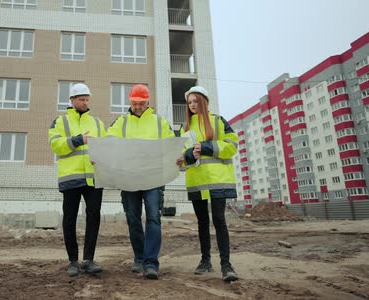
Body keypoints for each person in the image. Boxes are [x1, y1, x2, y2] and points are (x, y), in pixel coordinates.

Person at [106, 84, 175, 280]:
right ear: (130, 101)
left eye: (141, 103)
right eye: (135, 103)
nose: (138, 106)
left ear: (148, 102)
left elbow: (171, 144)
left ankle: (151, 263)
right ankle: (139, 256)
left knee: (153, 217)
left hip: (153, 177)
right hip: (129, 177)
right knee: (133, 218)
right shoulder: (121, 122)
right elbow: (109, 142)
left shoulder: (159, 122)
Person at [176, 86, 239, 282]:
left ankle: (226, 266)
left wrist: (205, 147)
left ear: (204, 101)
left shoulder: (218, 121)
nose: (192, 105)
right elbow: (181, 158)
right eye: (189, 103)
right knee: (202, 223)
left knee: (219, 220)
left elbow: (232, 146)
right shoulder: (184, 128)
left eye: (196, 101)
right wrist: (189, 155)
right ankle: (205, 261)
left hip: (217, 180)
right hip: (196, 182)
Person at [48, 83, 106, 277]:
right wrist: (78, 139)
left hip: (93, 178)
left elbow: (106, 145)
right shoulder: (60, 122)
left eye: (87, 99)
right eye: (81, 99)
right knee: (70, 219)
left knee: (93, 217)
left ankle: (88, 260)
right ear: (72, 100)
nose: (85, 102)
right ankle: (73, 261)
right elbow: (56, 145)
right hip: (71, 178)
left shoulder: (97, 123)